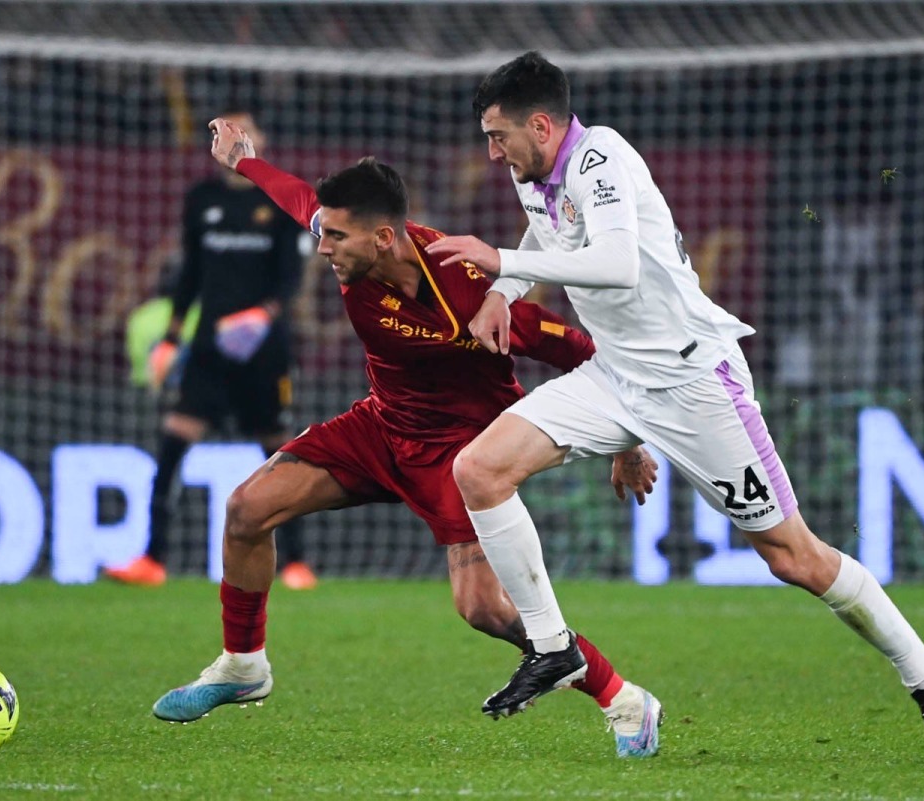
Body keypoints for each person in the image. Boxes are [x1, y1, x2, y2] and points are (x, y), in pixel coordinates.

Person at [424, 51, 924, 764]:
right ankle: (554, 647)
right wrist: (506, 292)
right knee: (480, 469)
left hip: (692, 381)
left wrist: (498, 262)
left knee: (792, 555)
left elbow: (617, 264)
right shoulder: (537, 172)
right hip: (616, 374)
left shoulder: (602, 158)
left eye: (498, 136)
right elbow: (548, 232)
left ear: (541, 124)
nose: (491, 151)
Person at [151, 116, 665, 759]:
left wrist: (626, 442)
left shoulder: (468, 289)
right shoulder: (350, 247)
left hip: (461, 453)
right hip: (382, 426)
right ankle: (243, 665)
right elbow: (299, 201)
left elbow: (584, 350)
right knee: (246, 509)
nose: (324, 246)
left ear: (385, 236)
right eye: (325, 233)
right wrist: (244, 162)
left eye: (337, 237)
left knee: (483, 609)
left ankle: (625, 700)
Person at [105, 110, 317, 590]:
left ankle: (297, 562)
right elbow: (191, 275)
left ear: (259, 141)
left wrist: (263, 315)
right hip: (209, 349)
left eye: (244, 131)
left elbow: (290, 278)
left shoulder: (278, 199)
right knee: (173, 440)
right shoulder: (202, 200)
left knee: (279, 449)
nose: (233, 140)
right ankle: (152, 558)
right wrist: (172, 337)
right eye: (224, 132)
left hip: (263, 347)